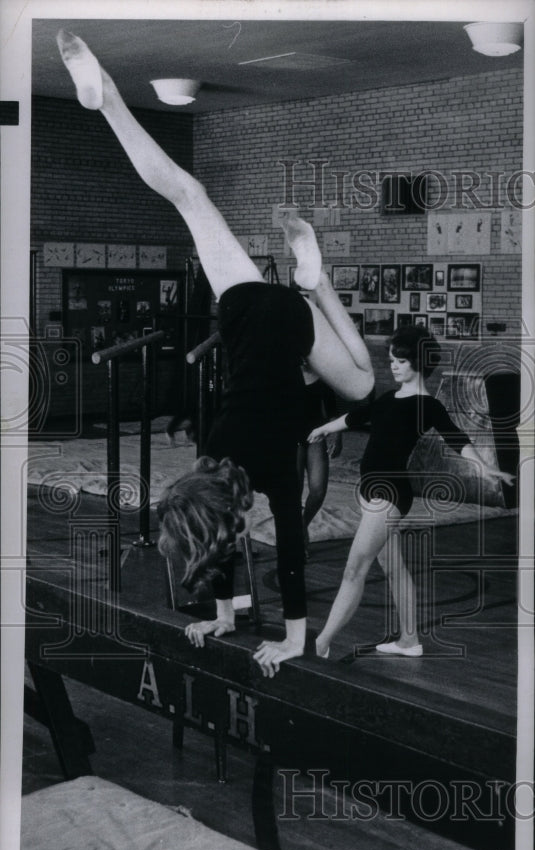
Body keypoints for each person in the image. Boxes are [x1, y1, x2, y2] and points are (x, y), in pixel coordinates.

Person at [56, 30, 375, 676]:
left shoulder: (255, 479)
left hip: (291, 324)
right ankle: (108, 101)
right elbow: (220, 529)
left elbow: (287, 547)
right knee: (187, 195)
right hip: (241, 310)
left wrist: (289, 636)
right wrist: (227, 618)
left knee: (366, 386)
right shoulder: (213, 452)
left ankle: (315, 280)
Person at [308, 326, 514, 659]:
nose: (393, 366)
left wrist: (485, 468)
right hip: (370, 492)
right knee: (394, 569)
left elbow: (456, 438)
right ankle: (409, 640)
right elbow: (353, 417)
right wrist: (322, 428)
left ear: (417, 363)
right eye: (392, 360)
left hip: (388, 494)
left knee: (353, 568)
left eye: (400, 361)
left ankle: (322, 642)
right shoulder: (389, 398)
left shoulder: (426, 406)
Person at [297, 363, 343, 557]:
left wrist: (337, 435)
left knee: (318, 490)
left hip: (316, 434)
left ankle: (301, 526)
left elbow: (332, 409)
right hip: (291, 437)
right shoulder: (283, 372)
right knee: (294, 492)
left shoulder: (322, 374)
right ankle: (297, 538)